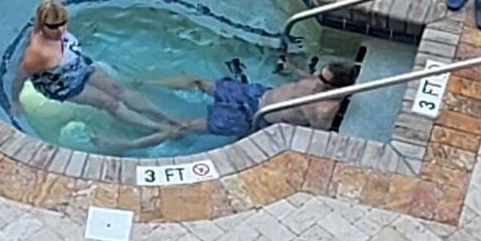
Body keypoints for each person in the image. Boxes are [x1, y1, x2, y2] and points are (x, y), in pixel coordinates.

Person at [4, 0, 180, 136]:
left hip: (81, 67)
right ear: (42, 25)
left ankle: (167, 117)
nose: (59, 30)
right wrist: (15, 101)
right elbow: (20, 78)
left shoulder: (60, 33)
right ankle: (156, 128)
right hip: (64, 85)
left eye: (63, 23)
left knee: (117, 89)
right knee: (109, 102)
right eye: (53, 26)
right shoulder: (37, 52)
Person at [115, 57, 363, 148]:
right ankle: (145, 82)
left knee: (185, 127)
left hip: (252, 118)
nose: (316, 79)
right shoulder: (320, 83)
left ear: (335, 88)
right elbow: (308, 79)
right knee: (197, 81)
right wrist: (291, 67)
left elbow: (316, 140)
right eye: (319, 73)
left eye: (322, 79)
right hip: (254, 94)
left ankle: (128, 143)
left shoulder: (323, 109)